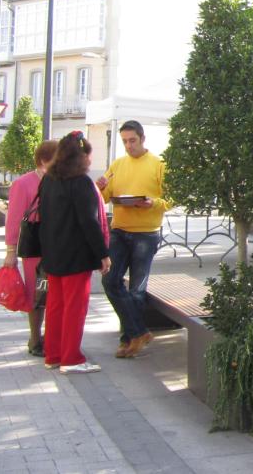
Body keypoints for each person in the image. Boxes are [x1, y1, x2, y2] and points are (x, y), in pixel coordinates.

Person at [38, 131, 111, 374]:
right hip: (76, 254)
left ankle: (53, 354)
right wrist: (103, 253)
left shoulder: (48, 180)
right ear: (81, 157)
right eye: (88, 155)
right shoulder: (81, 183)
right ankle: (71, 358)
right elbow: (89, 223)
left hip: (53, 252)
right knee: (75, 307)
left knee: (56, 305)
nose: (90, 161)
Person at [96, 119, 168, 359]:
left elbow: (172, 198)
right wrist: (101, 187)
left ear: (143, 138)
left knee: (137, 290)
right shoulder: (117, 164)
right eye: (125, 141)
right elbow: (103, 197)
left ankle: (128, 339)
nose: (128, 146)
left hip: (146, 234)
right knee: (110, 281)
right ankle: (139, 332)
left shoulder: (159, 165)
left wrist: (152, 202)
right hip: (119, 230)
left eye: (132, 141)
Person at [2, 139, 59, 357]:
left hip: (57, 248)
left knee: (53, 294)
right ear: (45, 160)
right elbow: (14, 218)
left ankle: (50, 338)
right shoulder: (24, 183)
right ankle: (35, 338)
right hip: (35, 249)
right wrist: (10, 251)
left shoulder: (60, 181)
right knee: (37, 293)